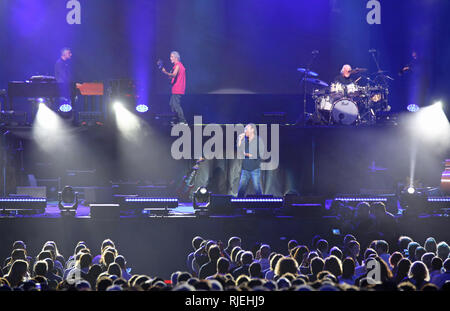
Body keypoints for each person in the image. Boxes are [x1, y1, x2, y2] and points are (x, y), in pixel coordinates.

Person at [237, 124, 266, 197]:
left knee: (257, 188)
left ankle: (261, 204)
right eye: (244, 129)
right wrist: (240, 140)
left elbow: (262, 153)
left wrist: (250, 155)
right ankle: (238, 205)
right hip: (245, 168)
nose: (245, 131)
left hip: (255, 168)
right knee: (241, 188)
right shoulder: (244, 141)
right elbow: (239, 150)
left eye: (246, 129)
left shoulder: (258, 140)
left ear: (252, 130)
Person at [160, 51, 187, 124]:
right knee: (172, 104)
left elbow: (174, 75)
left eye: (171, 56)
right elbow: (172, 76)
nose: (170, 58)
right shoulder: (177, 66)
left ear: (176, 57)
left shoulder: (178, 65)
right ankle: (175, 120)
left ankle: (183, 121)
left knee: (176, 105)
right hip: (176, 88)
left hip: (178, 89)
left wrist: (165, 72)